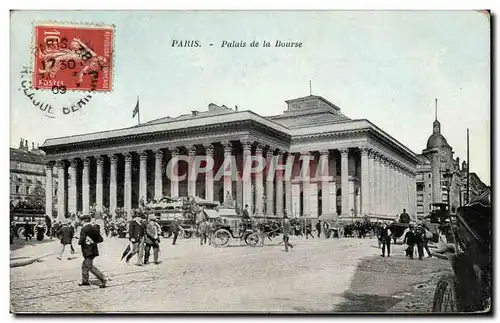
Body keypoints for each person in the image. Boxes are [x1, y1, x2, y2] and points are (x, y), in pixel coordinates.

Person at [78, 215, 107, 288]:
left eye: (80, 221)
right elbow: (100, 239)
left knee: (89, 266)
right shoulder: (93, 228)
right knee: (84, 265)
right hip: (93, 249)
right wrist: (92, 241)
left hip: (87, 250)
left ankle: (103, 278)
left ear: (83, 221)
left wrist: (80, 241)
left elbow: (81, 240)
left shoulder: (84, 229)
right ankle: (85, 281)